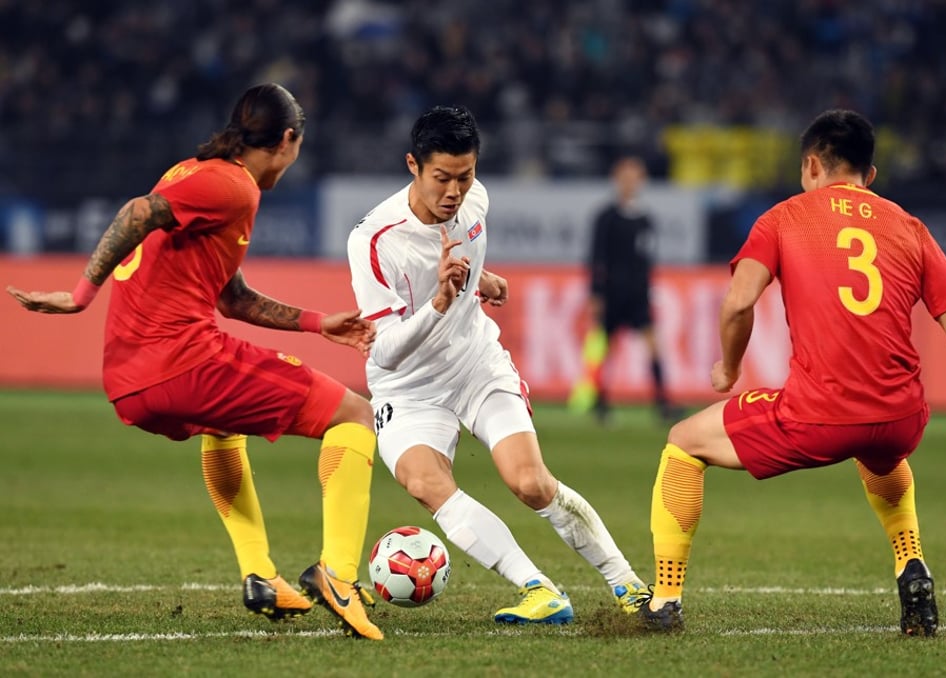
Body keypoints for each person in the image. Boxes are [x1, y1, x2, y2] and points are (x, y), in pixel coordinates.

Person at [7, 83, 385, 641]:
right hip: (181, 359)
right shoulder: (231, 186)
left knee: (223, 427)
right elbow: (138, 212)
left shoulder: (192, 174)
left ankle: (259, 574)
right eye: (297, 147)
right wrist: (81, 295)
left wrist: (315, 322)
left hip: (129, 380)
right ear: (286, 140)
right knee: (354, 415)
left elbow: (231, 298)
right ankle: (340, 576)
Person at [638, 109, 946, 636]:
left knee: (683, 443)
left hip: (818, 416)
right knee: (878, 451)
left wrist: (728, 367)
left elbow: (737, 303)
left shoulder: (786, 216)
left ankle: (664, 599)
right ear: (871, 176)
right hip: (902, 416)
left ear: (812, 165)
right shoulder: (911, 227)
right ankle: (912, 562)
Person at [346, 105, 648, 624]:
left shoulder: (475, 200)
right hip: (408, 386)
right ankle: (538, 590)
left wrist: (481, 279)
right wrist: (440, 301)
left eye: (465, 177)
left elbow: (465, 248)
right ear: (412, 166)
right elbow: (385, 349)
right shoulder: (373, 241)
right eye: (441, 178)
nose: (454, 192)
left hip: (476, 364)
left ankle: (630, 586)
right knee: (425, 482)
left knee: (529, 482)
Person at [573, 155, 677, 423]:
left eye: (635, 177)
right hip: (611, 294)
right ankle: (600, 400)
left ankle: (663, 402)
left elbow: (646, 260)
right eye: (625, 177)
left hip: (638, 295)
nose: (630, 182)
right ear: (616, 180)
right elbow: (596, 258)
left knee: (653, 344)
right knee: (605, 347)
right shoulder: (606, 217)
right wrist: (596, 293)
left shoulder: (645, 219)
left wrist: (649, 289)